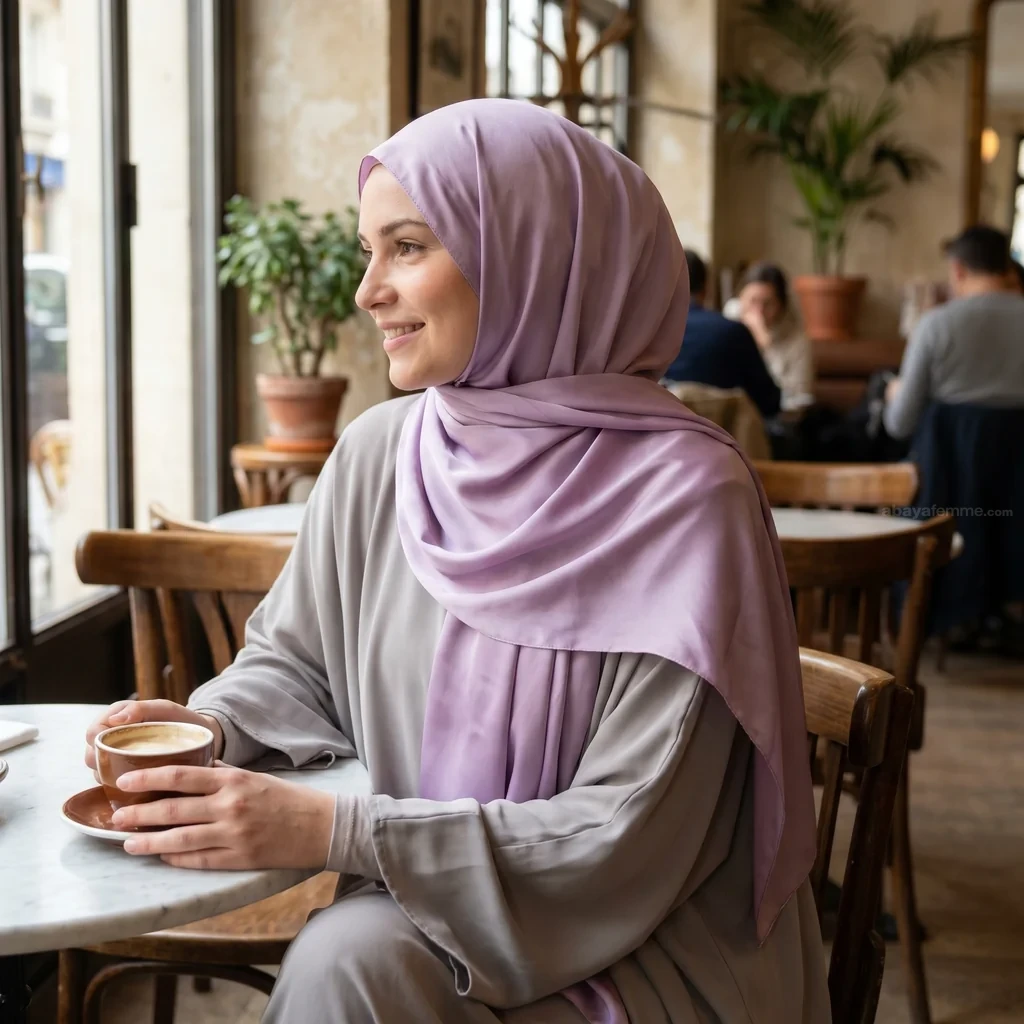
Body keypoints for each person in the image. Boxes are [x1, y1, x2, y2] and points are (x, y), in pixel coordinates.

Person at [83, 100, 828, 1023]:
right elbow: (294, 661)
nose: (367, 291)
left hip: (646, 948)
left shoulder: (689, 497)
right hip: (424, 920)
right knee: (349, 960)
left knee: (347, 963)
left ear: (532, 256)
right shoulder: (380, 453)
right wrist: (210, 734)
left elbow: (627, 838)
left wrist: (330, 827)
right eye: (370, 250)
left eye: (407, 246)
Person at [884, 225, 1024, 440]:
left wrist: (895, 392)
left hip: (947, 469)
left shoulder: (935, 325)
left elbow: (899, 424)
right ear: (1007, 267)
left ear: (958, 270)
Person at [663, 250, 783, 419]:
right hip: (725, 441)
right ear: (706, 288)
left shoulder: (650, 336)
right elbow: (770, 403)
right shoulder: (734, 332)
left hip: (658, 438)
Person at [726, 262, 815, 412]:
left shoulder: (798, 341)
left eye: (767, 304)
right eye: (752, 301)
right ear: (740, 299)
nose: (758, 312)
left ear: (781, 306)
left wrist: (765, 345)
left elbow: (799, 396)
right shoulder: (728, 324)